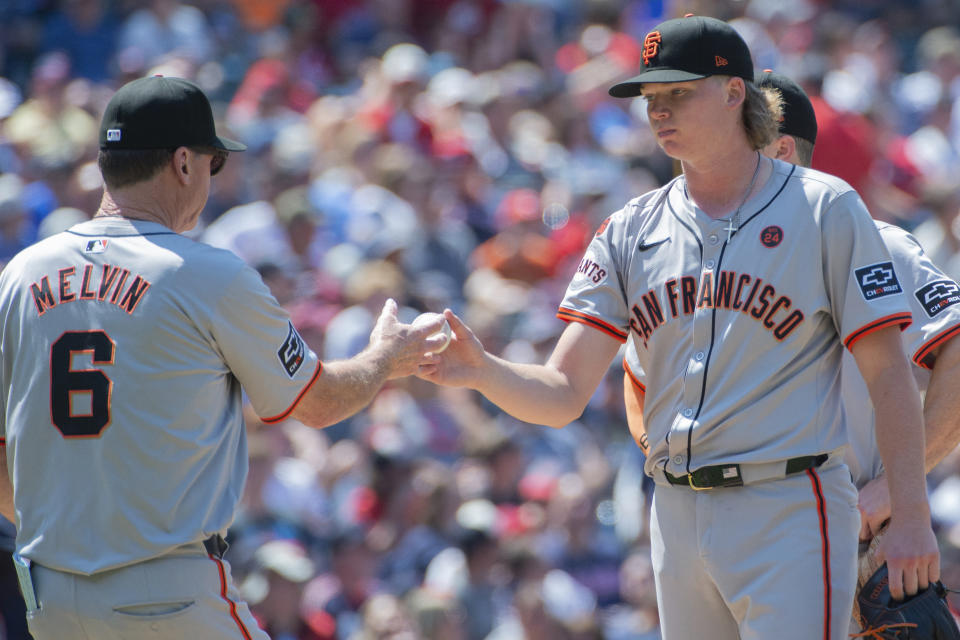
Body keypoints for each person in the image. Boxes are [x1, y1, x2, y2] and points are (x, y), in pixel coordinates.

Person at [418, 16, 939, 640]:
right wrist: (481, 370)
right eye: (651, 99)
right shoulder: (629, 228)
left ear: (733, 92)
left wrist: (911, 513)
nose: (658, 111)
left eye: (678, 93)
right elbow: (562, 392)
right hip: (675, 509)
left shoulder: (824, 207)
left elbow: (890, 375)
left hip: (789, 502)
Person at [0, 75, 446, 639]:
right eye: (212, 164)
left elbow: (2, 462)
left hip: (51, 595)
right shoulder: (207, 274)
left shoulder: (19, 275)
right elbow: (320, 403)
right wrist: (387, 357)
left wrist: (77, 551)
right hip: (167, 594)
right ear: (183, 163)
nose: (211, 180)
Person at [624, 67, 960, 631]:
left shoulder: (880, 243)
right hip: (735, 533)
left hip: (854, 544)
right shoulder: (693, 259)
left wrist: (894, 493)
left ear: (779, 148)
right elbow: (639, 381)